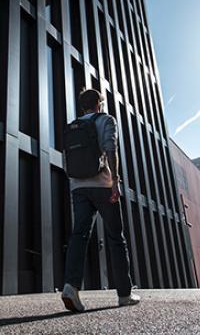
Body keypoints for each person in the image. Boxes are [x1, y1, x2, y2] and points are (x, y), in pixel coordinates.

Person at [61, 89, 140, 312]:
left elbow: (67, 158)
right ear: (99, 103)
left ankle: (70, 286)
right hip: (103, 186)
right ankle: (124, 294)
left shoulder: (72, 126)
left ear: (82, 106)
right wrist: (115, 180)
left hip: (78, 187)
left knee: (79, 235)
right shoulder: (106, 120)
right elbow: (110, 148)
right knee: (116, 237)